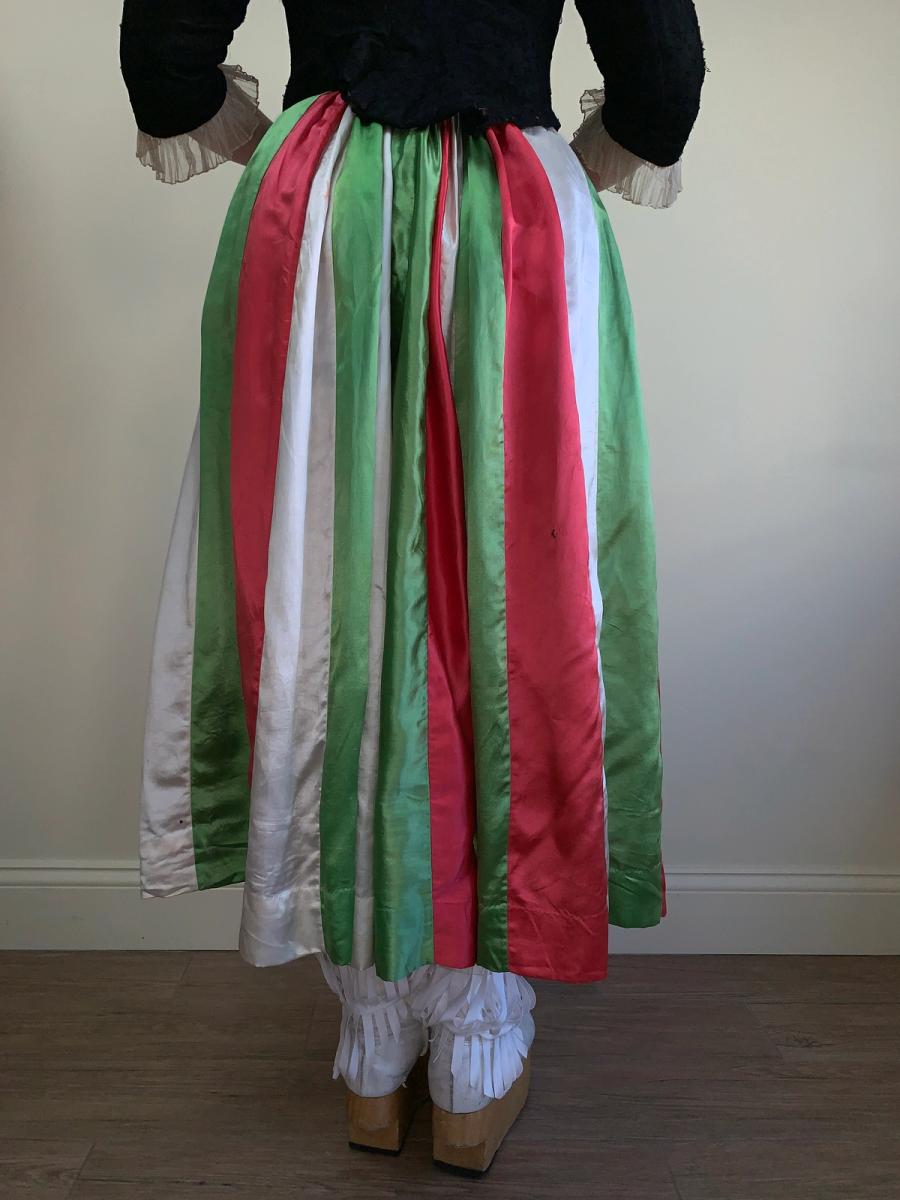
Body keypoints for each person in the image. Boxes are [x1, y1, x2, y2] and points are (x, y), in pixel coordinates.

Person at [120, 0, 704, 1174]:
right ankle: (475, 1052)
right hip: (511, 218)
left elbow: (163, 58)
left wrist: (303, 142)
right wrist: (558, 159)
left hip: (319, 209)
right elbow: (661, 80)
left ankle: (373, 1044)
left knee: (327, 595)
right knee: (510, 605)